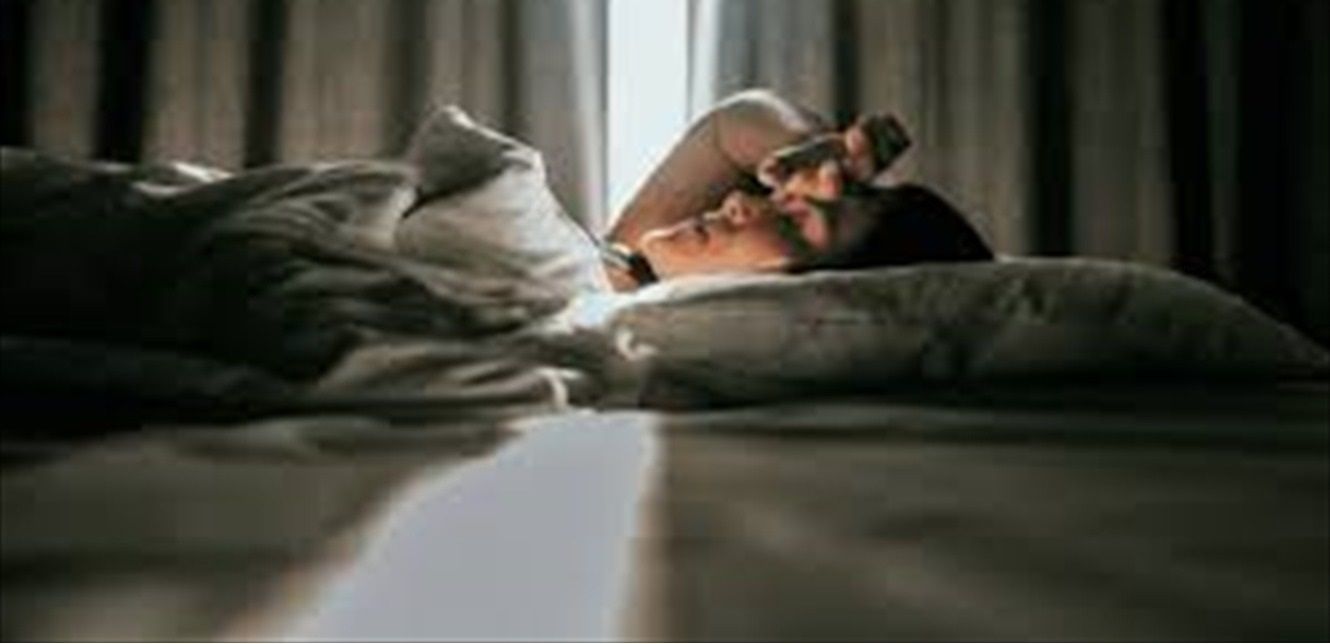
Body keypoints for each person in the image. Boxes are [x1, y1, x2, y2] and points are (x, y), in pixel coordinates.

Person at [600, 89, 994, 291]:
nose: (736, 199)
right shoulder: (622, 269)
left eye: (794, 222)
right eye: (781, 199)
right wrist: (808, 150)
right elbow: (732, 123)